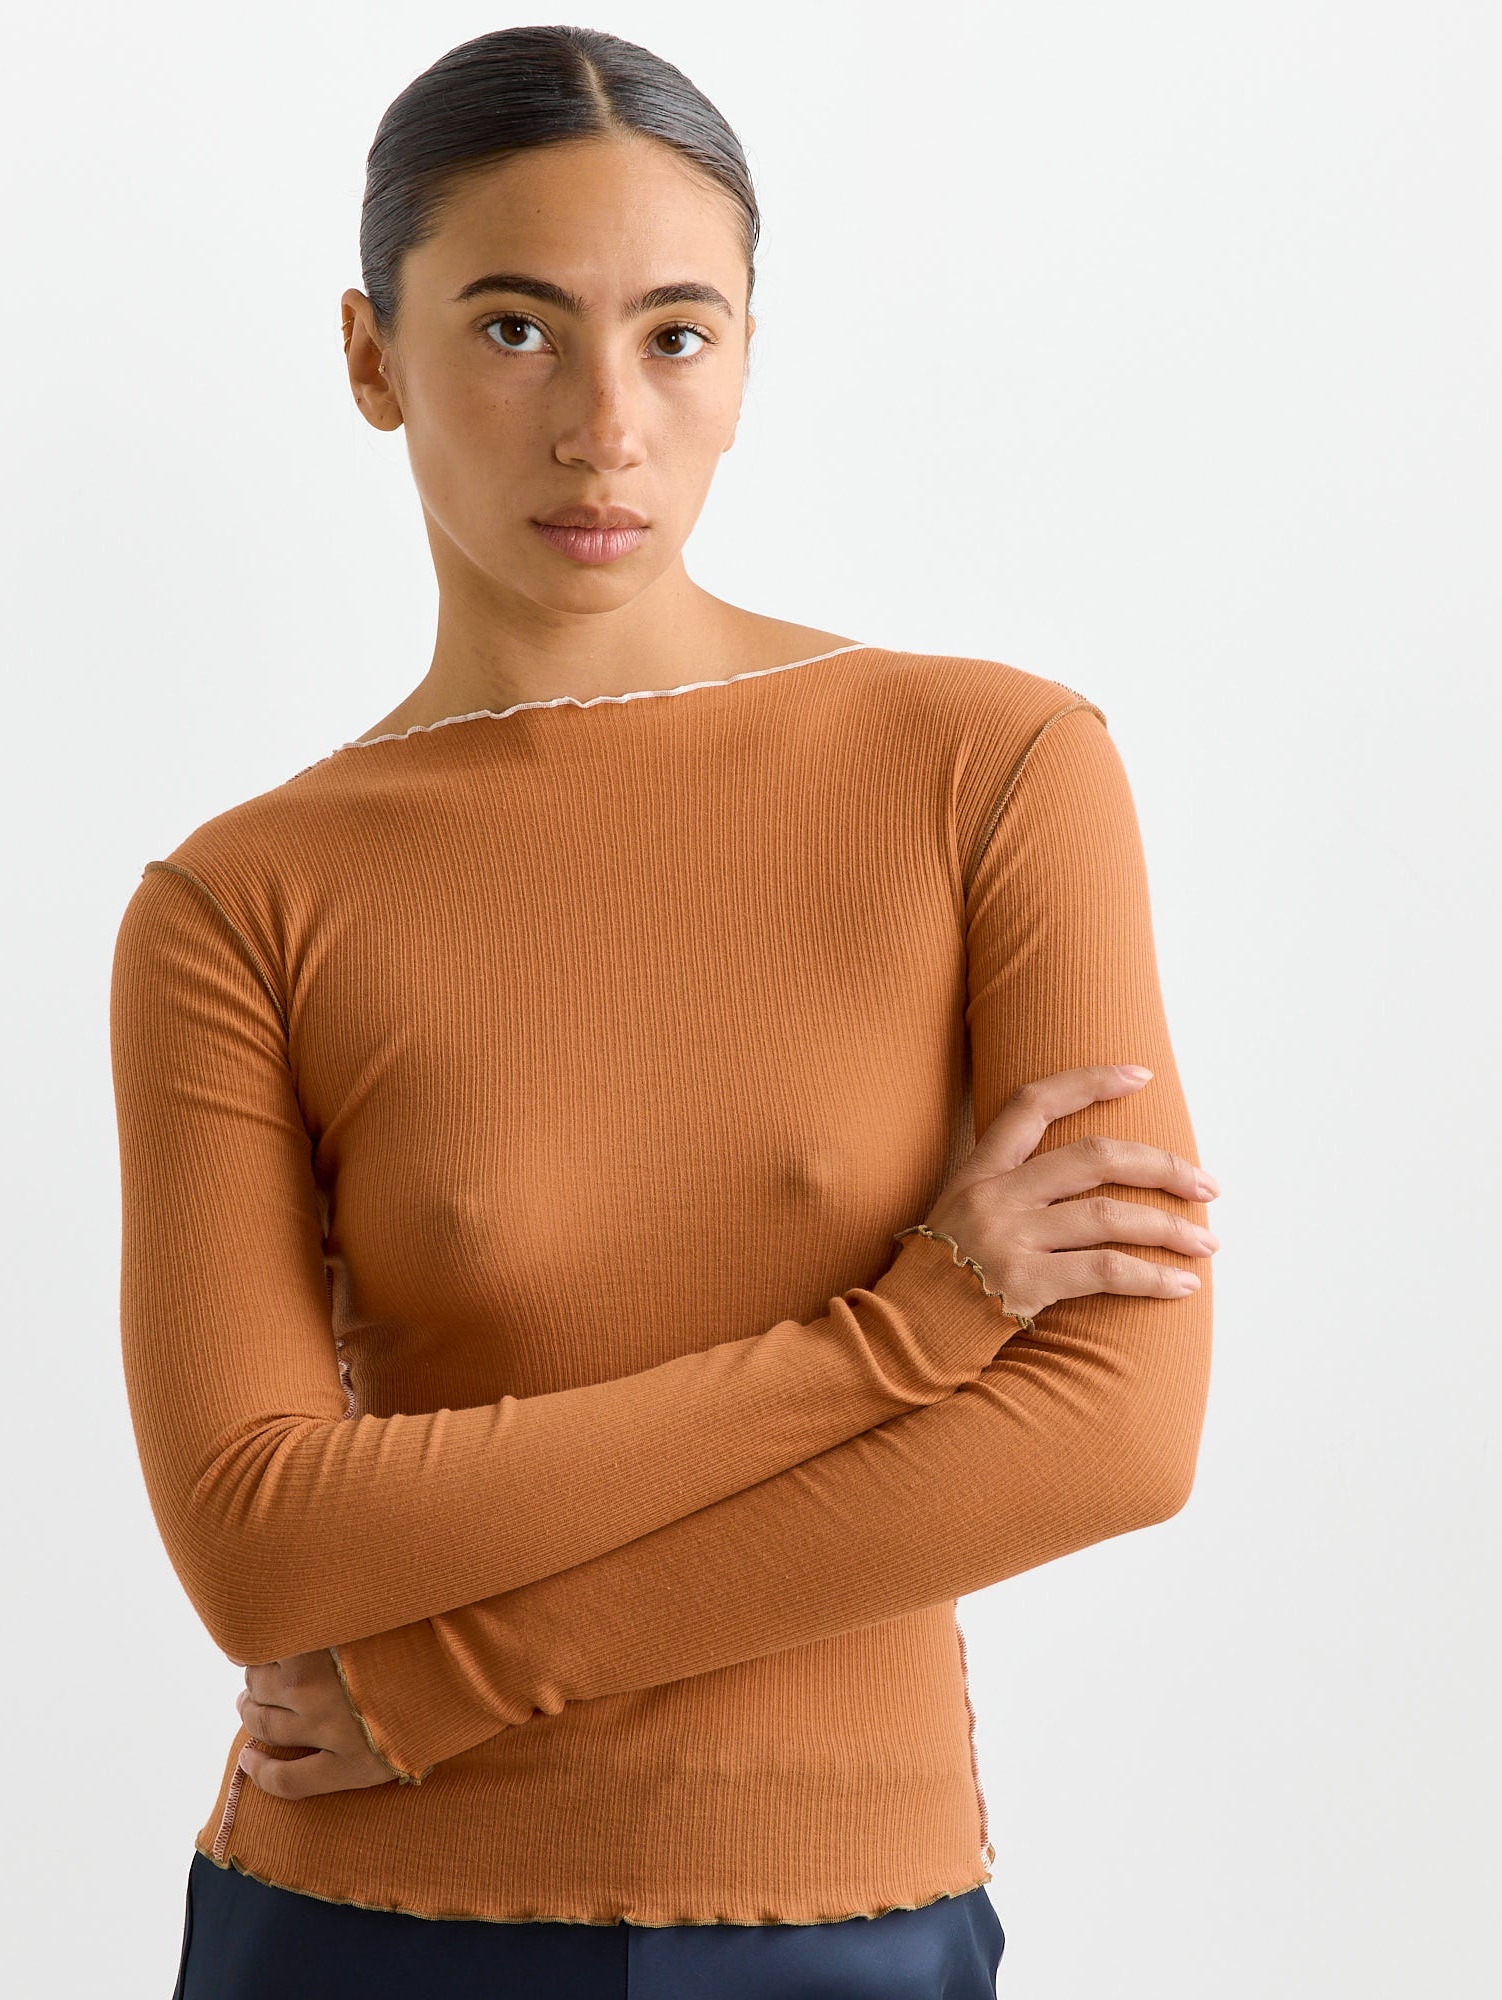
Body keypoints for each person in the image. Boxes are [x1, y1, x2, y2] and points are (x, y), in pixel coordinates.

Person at [109, 25, 1218, 2000]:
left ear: (746, 361)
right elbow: (262, 1537)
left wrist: (467, 1670)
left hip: (838, 1915)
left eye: (675, 335)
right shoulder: (238, 904)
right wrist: (912, 1330)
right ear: (371, 356)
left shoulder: (988, 768)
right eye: (515, 329)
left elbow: (1113, 1431)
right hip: (357, 1920)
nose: (605, 425)